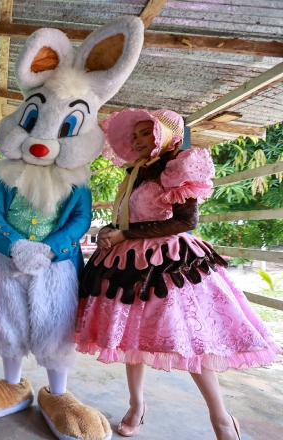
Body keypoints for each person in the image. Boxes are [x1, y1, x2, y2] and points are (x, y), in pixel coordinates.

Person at [76, 109, 282, 439]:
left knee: (191, 341)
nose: (138, 140)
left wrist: (126, 236)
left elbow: (186, 222)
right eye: (136, 135)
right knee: (134, 337)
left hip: (170, 264)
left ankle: (221, 417)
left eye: (147, 133)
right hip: (129, 263)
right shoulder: (135, 173)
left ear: (166, 136)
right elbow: (128, 219)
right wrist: (108, 230)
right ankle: (137, 405)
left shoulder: (177, 168)